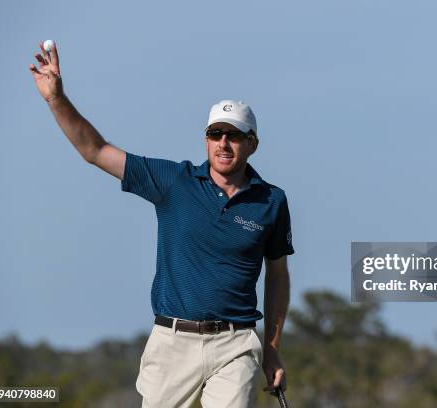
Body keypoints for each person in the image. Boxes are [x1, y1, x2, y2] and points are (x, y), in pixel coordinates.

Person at [29, 41, 294, 407]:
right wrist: (56, 98)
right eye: (215, 134)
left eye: (233, 135)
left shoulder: (272, 201)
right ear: (205, 139)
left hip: (236, 344)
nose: (223, 143)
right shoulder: (174, 182)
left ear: (252, 144)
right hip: (173, 343)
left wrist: (273, 348)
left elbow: (277, 275)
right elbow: (95, 150)